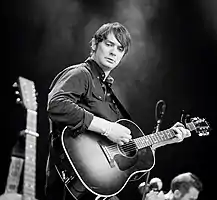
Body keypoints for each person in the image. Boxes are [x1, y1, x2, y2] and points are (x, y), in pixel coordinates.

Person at [44, 21, 191, 200]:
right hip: (70, 182)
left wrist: (167, 138)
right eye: (109, 44)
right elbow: (57, 104)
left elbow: (127, 146)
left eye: (120, 48)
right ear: (95, 44)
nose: (114, 52)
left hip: (96, 189)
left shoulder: (108, 91)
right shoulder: (81, 74)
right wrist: (108, 128)